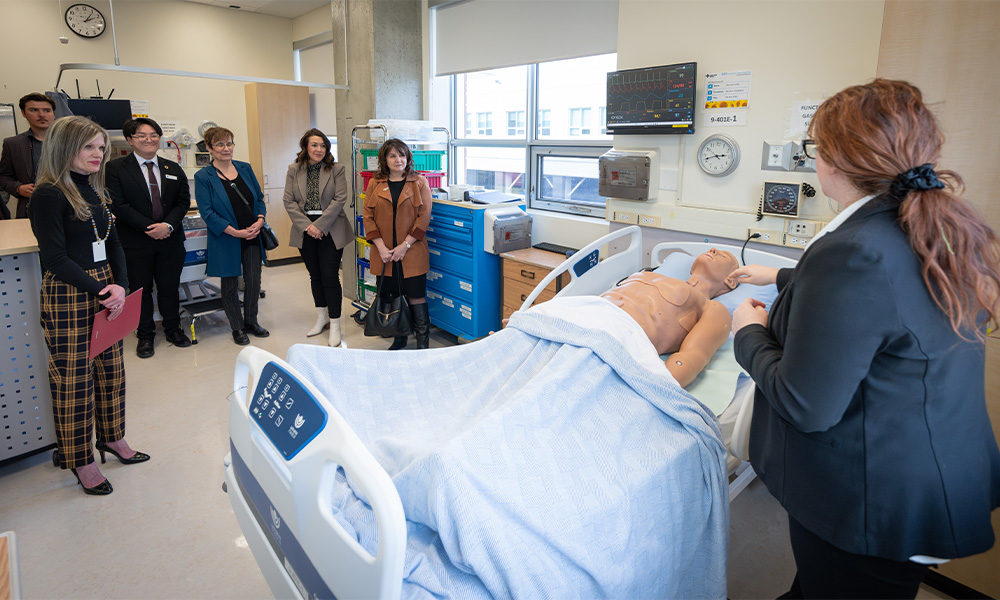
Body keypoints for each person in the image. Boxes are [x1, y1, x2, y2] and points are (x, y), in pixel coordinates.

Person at [730, 79, 1000, 599]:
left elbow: (804, 404)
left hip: (877, 494)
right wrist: (784, 277)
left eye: (815, 149)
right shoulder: (919, 224)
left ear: (834, 159)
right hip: (929, 461)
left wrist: (748, 334)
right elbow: (886, 302)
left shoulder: (853, 249)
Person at [28, 116, 150, 496]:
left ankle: (112, 438)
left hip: (106, 288)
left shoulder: (95, 190)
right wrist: (102, 291)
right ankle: (80, 458)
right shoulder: (49, 194)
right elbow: (54, 259)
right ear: (65, 148)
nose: (98, 154)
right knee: (74, 381)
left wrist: (122, 287)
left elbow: (113, 244)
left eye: (101, 147)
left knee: (112, 370)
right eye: (88, 147)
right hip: (69, 291)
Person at [106, 118, 192, 358]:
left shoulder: (172, 167)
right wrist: (150, 227)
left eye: (154, 134)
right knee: (140, 291)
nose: (149, 139)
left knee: (169, 288)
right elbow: (118, 205)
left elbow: (182, 201)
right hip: (135, 242)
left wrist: (167, 225)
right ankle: (145, 335)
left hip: (170, 240)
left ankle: (173, 329)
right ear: (130, 140)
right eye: (142, 135)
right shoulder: (115, 169)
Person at [601, 248, 738, 387]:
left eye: (724, 256)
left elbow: (691, 357)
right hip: (586, 312)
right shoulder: (649, 275)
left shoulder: (712, 308)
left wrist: (658, 389)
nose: (713, 250)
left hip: (616, 335)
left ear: (731, 281)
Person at [194, 126, 269, 346]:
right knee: (229, 284)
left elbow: (259, 199)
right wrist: (234, 231)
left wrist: (260, 220)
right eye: (219, 144)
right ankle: (237, 327)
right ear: (209, 147)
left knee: (254, 280)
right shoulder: (203, 176)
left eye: (229, 143)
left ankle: (251, 321)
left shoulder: (245, 168)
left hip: (253, 233)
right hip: (226, 236)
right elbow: (207, 212)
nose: (226, 149)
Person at [282, 128, 353, 346]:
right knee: (315, 276)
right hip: (305, 231)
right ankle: (322, 318)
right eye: (314, 145)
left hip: (331, 229)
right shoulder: (294, 169)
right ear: (305, 147)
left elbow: (340, 199)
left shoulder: (336, 169)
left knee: (330, 276)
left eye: (323, 145)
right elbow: (289, 201)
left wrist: (320, 226)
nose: (319, 149)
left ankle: (335, 325)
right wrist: (309, 227)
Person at [362, 138, 432, 349]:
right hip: (384, 254)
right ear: (384, 159)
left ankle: (422, 342)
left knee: (416, 297)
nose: (398, 159)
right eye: (392, 155)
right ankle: (399, 337)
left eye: (401, 155)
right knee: (390, 296)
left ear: (408, 158)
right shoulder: (375, 183)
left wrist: (405, 246)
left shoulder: (419, 182)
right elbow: (367, 216)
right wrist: (382, 248)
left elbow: (424, 217)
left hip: (412, 252)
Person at [0, 93, 55, 219]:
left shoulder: (70, 142)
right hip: (31, 210)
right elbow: (3, 176)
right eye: (34, 110)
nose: (41, 115)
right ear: (23, 113)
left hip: (68, 208)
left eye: (47, 110)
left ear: (53, 114)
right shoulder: (12, 144)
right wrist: (18, 188)